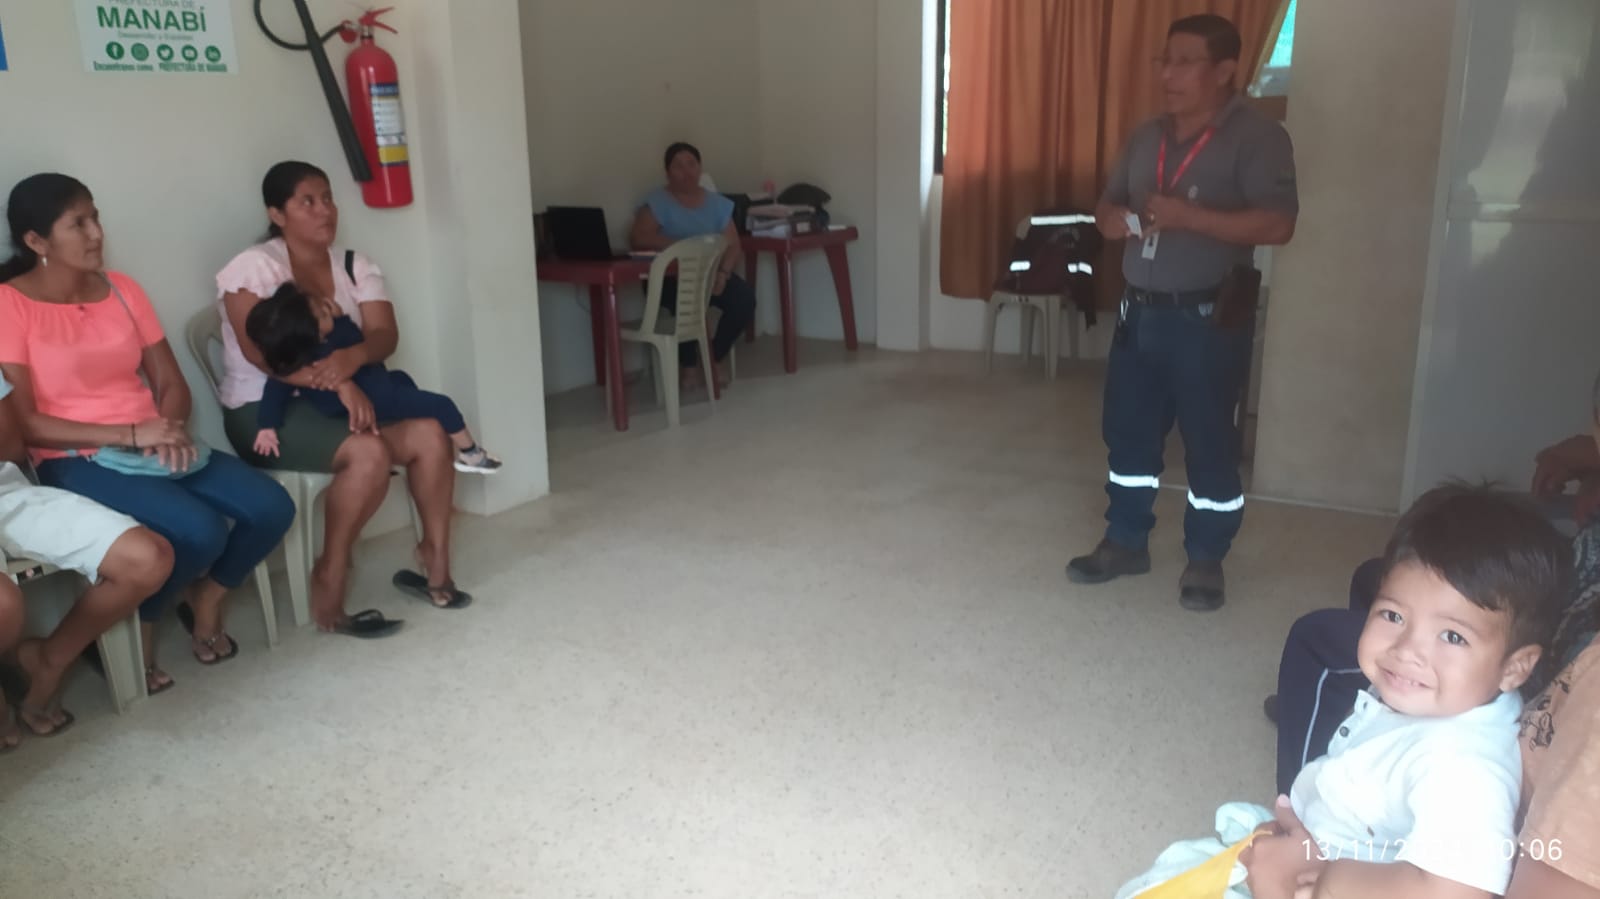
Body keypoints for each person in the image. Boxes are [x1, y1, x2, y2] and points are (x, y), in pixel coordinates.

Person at [1122, 485, 1568, 899]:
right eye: (1393, 616)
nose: (1405, 650)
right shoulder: (1441, 702)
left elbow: (1455, 890)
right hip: (1318, 841)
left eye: (1452, 636)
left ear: (1515, 667)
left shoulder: (1465, 767)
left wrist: (1308, 879)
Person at [0, 173, 294, 693]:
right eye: (78, 224)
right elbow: (26, 423)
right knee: (200, 531)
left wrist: (169, 428)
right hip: (73, 456)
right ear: (36, 241)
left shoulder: (122, 289)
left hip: (150, 440)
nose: (96, 233)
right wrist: (131, 433)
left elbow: (170, 383)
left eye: (96, 217)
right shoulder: (10, 304)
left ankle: (206, 596)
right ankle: (145, 623)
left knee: (271, 506)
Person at [1067, 14, 1299, 611]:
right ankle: (1125, 540)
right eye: (1164, 61)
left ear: (1225, 71)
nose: (1168, 74)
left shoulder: (1258, 137)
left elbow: (1278, 224)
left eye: (1185, 62)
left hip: (1207, 319)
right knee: (1128, 434)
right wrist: (1110, 221)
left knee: (1209, 441)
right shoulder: (1146, 136)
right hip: (1138, 313)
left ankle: (1206, 558)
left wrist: (1188, 217)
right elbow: (1107, 203)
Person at [216, 160, 469, 622]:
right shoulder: (253, 268)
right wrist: (344, 383)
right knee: (370, 454)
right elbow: (262, 356)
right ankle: (331, 574)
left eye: (328, 198)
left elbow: (385, 336)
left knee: (432, 432)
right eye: (307, 202)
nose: (325, 210)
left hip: (333, 404)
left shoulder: (355, 266)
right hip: (264, 410)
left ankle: (435, 559)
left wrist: (352, 360)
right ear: (277, 214)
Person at [0, 370, 174, 740]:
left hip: (5, 491)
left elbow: (12, 445)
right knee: (3, 604)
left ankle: (49, 660)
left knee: (149, 558)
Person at [245, 283, 501, 474]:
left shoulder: (296, 361)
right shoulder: (335, 342)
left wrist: (267, 425)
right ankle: (471, 454)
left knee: (401, 378)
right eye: (322, 314)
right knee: (442, 404)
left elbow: (275, 388)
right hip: (377, 396)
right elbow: (356, 339)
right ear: (314, 333)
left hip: (347, 402)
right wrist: (340, 319)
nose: (326, 309)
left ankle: (395, 425)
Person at [628, 141, 757, 389]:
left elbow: (734, 245)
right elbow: (639, 237)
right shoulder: (657, 202)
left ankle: (713, 358)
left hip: (710, 275)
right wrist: (685, 247)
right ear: (668, 172)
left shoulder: (717, 204)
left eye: (691, 164)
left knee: (744, 300)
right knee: (686, 302)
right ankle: (688, 368)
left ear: (700, 168)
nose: (686, 172)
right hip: (669, 279)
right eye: (678, 166)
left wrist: (723, 273)